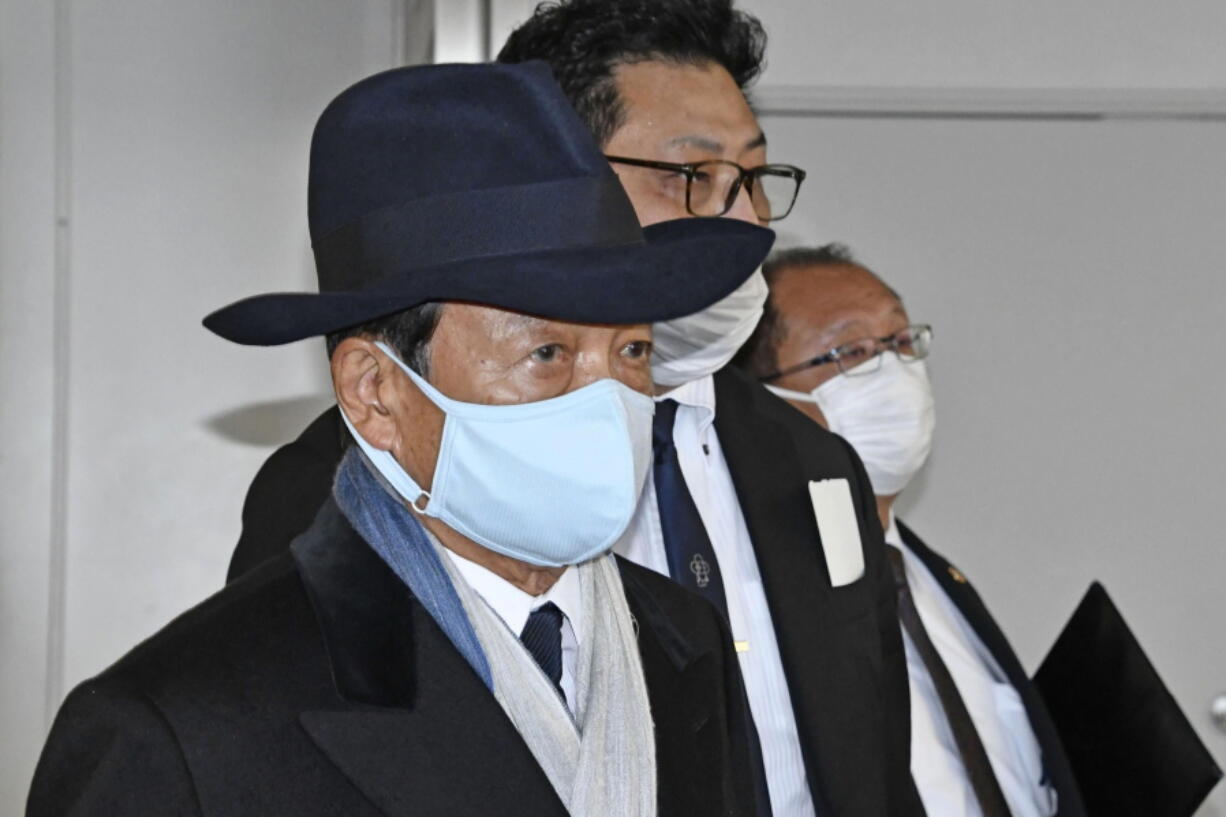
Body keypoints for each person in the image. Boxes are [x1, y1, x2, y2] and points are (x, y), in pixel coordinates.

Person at [27, 62, 776, 817]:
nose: (608, 399)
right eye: (546, 355)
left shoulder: (684, 641)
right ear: (374, 390)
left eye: (633, 354)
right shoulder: (179, 729)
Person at [226, 3, 916, 816]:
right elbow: (283, 744)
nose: (745, 220)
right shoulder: (322, 492)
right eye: (692, 177)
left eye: (754, 179)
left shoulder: (808, 459)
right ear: (562, 179)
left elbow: (867, 749)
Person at [736, 243, 1087, 817]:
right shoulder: (756, 599)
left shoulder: (928, 577)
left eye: (900, 342)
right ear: (761, 397)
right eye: (849, 351)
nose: (893, 371)